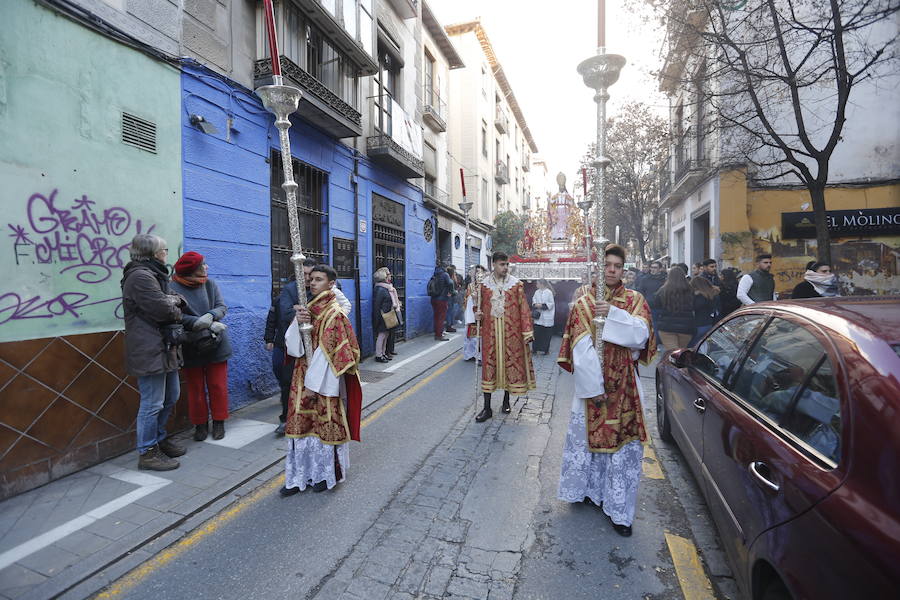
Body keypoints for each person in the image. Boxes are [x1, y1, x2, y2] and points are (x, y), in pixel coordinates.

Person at [557, 243, 657, 537]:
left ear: (623, 270)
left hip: (626, 385)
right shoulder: (583, 302)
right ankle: (590, 491)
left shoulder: (635, 299)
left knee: (623, 448)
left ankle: (619, 511)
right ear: (598, 268)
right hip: (592, 388)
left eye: (617, 266)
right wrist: (593, 387)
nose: (611, 270)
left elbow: (640, 336)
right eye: (607, 265)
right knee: (588, 442)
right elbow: (579, 346)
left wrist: (611, 313)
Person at [281, 265, 363, 496]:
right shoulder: (307, 309)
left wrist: (313, 381)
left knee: (324, 426)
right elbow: (294, 346)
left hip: (323, 379)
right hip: (303, 374)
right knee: (302, 425)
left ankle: (326, 474)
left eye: (318, 279)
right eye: (312, 279)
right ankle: (299, 476)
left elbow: (338, 352)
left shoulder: (335, 313)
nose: (313, 283)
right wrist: (299, 323)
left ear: (330, 284)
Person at [121, 234, 187, 471]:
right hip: (148, 349)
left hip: (162, 347)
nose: (166, 253)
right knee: (152, 403)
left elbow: (175, 301)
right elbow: (164, 309)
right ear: (152, 253)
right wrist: (173, 302)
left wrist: (173, 301)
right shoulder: (140, 276)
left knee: (171, 396)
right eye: (164, 249)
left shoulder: (155, 274)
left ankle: (158, 439)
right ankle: (147, 452)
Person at [169, 252, 232, 441]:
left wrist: (211, 315)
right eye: (203, 265)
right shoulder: (172, 288)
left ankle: (219, 422)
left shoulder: (210, 284)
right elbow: (175, 315)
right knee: (195, 388)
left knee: (217, 385)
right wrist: (199, 322)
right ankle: (200, 425)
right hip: (191, 343)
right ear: (192, 269)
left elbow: (222, 306)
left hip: (216, 342)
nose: (207, 267)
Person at [471, 251, 536, 421]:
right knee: (489, 368)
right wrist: (476, 314)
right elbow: (479, 309)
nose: (505, 268)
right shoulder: (483, 286)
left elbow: (524, 309)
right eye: (502, 264)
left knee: (509, 365)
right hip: (490, 334)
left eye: (507, 264)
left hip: (510, 334)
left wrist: (527, 331)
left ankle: (506, 401)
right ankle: (487, 408)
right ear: (494, 265)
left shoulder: (516, 285)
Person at [655, 267, 696, 349]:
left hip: (666, 326)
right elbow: (694, 305)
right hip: (686, 327)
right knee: (681, 353)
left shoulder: (663, 290)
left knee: (672, 353)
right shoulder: (690, 290)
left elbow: (657, 305)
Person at [373, 267, 401, 362]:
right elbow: (377, 305)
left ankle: (383, 353)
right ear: (384, 277)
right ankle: (378, 355)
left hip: (387, 315)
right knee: (382, 335)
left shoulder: (386, 288)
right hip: (383, 316)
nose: (390, 276)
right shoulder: (380, 289)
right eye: (388, 275)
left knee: (385, 335)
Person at [462, 265, 487, 361]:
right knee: (471, 335)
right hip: (471, 313)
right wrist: (471, 297)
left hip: (482, 312)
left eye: (481, 272)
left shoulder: (486, 285)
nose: (479, 275)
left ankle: (480, 355)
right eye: (477, 272)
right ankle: (470, 354)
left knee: (481, 336)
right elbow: (466, 298)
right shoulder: (470, 285)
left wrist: (479, 298)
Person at [690, 275, 720, 346]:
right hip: (710, 324)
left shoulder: (698, 298)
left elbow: (693, 308)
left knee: (693, 346)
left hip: (698, 325)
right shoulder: (713, 295)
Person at [428, 264, 455, 341]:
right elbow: (450, 283)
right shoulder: (445, 274)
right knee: (441, 318)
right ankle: (439, 335)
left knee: (436, 317)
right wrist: (451, 292)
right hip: (442, 299)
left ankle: (437, 333)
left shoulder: (434, 274)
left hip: (433, 299)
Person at [532, 279, 556, 355]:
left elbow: (551, 304)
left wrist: (542, 305)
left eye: (537, 283)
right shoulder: (536, 292)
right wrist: (535, 304)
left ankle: (545, 350)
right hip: (538, 317)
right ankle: (535, 349)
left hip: (547, 317)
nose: (536, 285)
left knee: (546, 335)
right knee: (537, 334)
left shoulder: (549, 292)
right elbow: (534, 300)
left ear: (542, 284)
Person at [445, 265, 460, 333]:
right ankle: (449, 326)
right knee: (449, 312)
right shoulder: (450, 279)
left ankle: (450, 325)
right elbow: (452, 290)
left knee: (450, 311)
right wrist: (455, 292)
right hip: (450, 298)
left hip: (449, 297)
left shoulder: (448, 278)